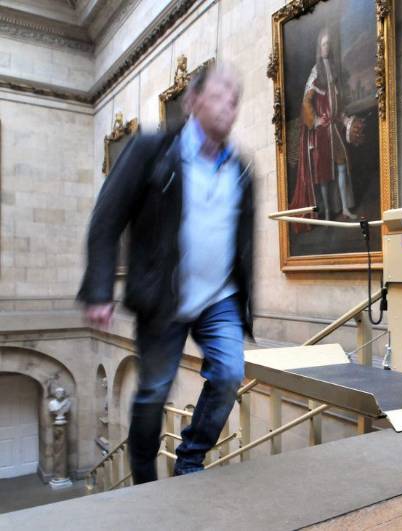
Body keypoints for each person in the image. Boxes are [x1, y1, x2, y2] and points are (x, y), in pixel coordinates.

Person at [77, 64, 254, 483]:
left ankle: (190, 457)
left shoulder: (240, 169)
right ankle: (143, 478)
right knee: (155, 391)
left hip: (220, 297)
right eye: (219, 94)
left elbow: (241, 240)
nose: (229, 103)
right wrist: (100, 289)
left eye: (235, 97)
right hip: (164, 297)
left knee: (229, 374)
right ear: (192, 102)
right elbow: (107, 217)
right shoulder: (150, 150)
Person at [289, 26, 362, 221]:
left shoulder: (334, 71)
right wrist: (315, 120)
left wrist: (344, 119)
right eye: (323, 44)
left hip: (335, 131)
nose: (326, 48)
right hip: (321, 132)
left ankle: (345, 208)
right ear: (318, 48)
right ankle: (328, 211)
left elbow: (337, 103)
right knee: (323, 174)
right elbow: (306, 101)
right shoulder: (316, 71)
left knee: (341, 167)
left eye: (328, 44)